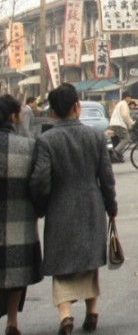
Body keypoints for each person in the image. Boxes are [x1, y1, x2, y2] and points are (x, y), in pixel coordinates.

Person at [30, 84, 118, 335]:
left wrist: (41, 207)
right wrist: (111, 206)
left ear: (54, 112)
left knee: (62, 263)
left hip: (60, 207)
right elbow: (107, 177)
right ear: (77, 106)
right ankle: (92, 311)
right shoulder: (95, 137)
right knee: (89, 260)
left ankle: (66, 314)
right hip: (92, 205)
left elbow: (40, 179)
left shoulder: (46, 140)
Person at [0, 95, 43, 335]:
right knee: (16, 274)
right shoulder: (29, 147)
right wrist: (38, 207)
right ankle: (12, 321)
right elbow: (40, 182)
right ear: (15, 117)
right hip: (20, 219)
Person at [107, 93, 135, 163]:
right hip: (119, 124)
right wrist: (131, 123)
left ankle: (117, 156)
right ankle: (115, 152)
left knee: (117, 141)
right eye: (130, 97)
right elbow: (125, 115)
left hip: (114, 123)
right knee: (126, 138)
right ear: (126, 97)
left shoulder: (119, 104)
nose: (130, 99)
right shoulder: (124, 104)